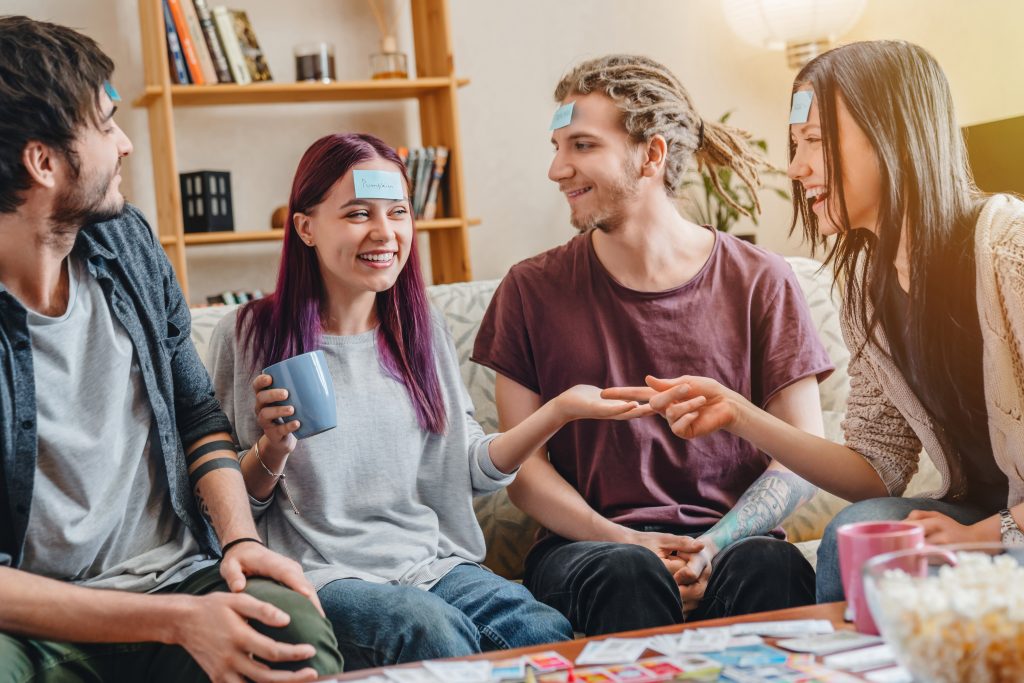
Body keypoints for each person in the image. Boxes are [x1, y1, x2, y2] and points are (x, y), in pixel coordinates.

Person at [208, 132, 650, 669]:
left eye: (398, 212)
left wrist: (559, 410)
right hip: (322, 573)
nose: (385, 232)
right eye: (358, 214)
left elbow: (468, 465)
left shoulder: (419, 329)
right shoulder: (248, 334)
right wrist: (274, 447)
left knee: (541, 629)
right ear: (306, 227)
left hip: (431, 565)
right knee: (429, 631)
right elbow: (229, 502)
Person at [0, 15, 343, 682]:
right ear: (43, 162)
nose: (126, 144)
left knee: (292, 632)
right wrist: (175, 622)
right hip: (36, 624)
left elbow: (196, 412)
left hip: (175, 575)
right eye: (106, 125)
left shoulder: (127, 242)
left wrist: (241, 542)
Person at [624, 40, 1024, 602]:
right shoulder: (869, 285)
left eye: (814, 140)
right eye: (796, 144)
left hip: (1005, 526)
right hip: (982, 513)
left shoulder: (1010, 249)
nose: (795, 167)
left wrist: (984, 535)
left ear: (893, 135)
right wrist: (738, 414)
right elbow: (876, 468)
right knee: (854, 531)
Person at [471, 54, 834, 636]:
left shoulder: (761, 280)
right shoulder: (529, 290)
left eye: (582, 146)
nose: (557, 169)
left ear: (652, 155)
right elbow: (522, 470)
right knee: (628, 573)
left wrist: (713, 546)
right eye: (557, 147)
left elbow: (801, 455)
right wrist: (628, 540)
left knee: (773, 566)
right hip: (588, 550)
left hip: (735, 545)